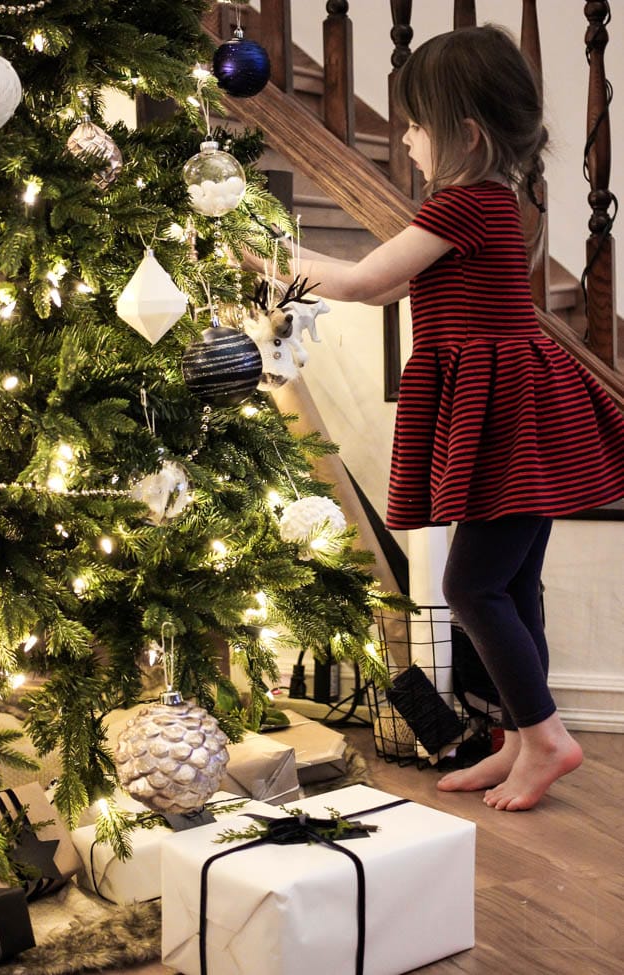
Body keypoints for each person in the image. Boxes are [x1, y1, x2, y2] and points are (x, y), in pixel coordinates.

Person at [239, 24, 624, 810]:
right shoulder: (486, 202)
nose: (406, 137)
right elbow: (386, 292)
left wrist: (264, 255)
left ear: (466, 136)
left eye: (414, 124)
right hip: (510, 407)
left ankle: (546, 736)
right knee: (511, 587)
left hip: (509, 415)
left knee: (472, 587)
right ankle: (522, 738)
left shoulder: (463, 204)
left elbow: (359, 280)